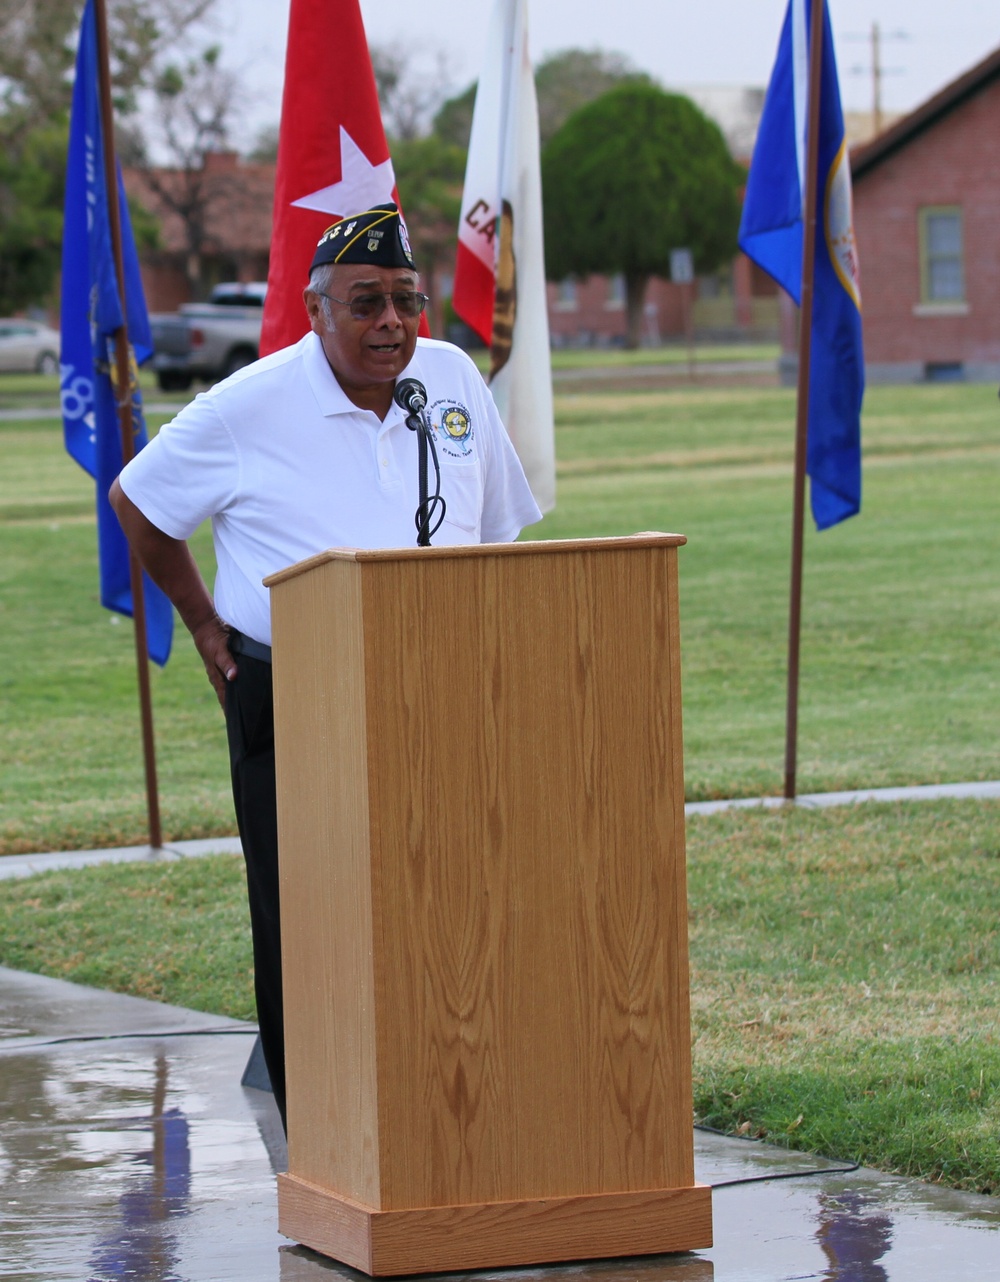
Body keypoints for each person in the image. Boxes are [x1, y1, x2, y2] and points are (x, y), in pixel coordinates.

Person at [110, 204, 542, 1130]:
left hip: (444, 683)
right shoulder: (247, 405)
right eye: (365, 303)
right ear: (314, 311)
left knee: (455, 898)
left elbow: (498, 530)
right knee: (308, 922)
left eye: (405, 300)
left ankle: (453, 1109)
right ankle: (326, 1143)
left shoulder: (451, 379)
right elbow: (138, 501)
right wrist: (202, 623)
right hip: (297, 690)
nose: (391, 322)